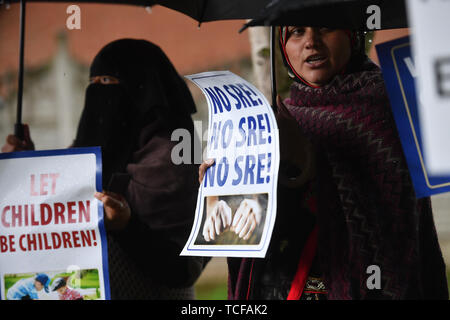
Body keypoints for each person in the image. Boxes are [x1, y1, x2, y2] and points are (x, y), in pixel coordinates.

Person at [199, 27, 448, 299]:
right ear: (282, 46)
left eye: (325, 28)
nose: (310, 42)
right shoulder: (277, 120)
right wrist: (222, 188)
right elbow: (258, 229)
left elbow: (389, 221)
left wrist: (304, 160)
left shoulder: (387, 107)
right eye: (296, 32)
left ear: (353, 37)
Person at [2, 39, 208, 299]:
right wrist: (25, 169)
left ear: (144, 91)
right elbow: (56, 203)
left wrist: (127, 225)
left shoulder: (176, 156)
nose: (98, 93)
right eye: (94, 83)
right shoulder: (89, 150)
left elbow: (179, 266)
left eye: (108, 82)